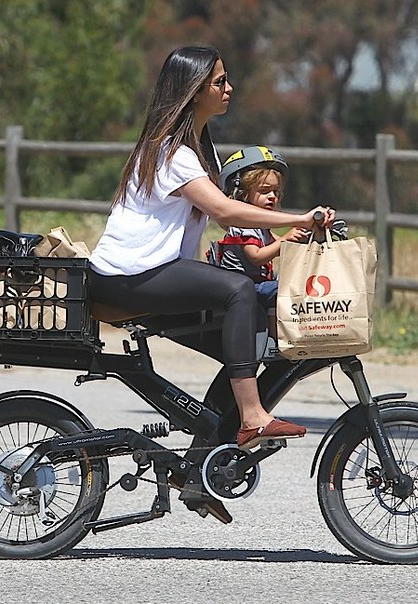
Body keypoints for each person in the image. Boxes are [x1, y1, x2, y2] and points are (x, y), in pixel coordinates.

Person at [87, 46, 335, 521]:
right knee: (237, 291)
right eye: (219, 81)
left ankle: (197, 472)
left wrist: (287, 235)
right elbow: (224, 212)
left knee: (242, 343)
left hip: (147, 275)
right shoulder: (171, 153)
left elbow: (229, 224)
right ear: (192, 90)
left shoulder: (196, 150)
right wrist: (295, 218)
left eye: (226, 80)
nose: (228, 88)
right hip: (126, 279)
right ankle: (252, 416)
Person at [209, 145, 307, 339]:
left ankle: (279, 335)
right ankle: (277, 338)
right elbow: (256, 257)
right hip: (243, 286)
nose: (272, 197)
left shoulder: (260, 225)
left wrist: (301, 239)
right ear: (241, 194)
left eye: (276, 192)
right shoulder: (244, 224)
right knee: (283, 288)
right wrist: (286, 240)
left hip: (255, 283)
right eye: (265, 191)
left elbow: (278, 244)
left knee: (287, 283)